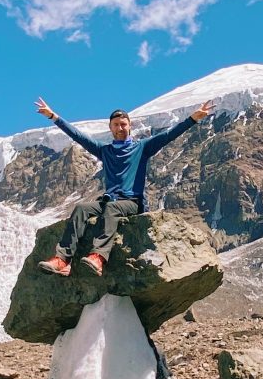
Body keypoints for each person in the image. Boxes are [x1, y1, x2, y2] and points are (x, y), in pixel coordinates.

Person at [34, 97, 215, 277]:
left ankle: (98, 257)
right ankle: (63, 260)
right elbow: (78, 136)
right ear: (110, 128)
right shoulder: (105, 151)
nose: (120, 128)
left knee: (111, 209)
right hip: (109, 200)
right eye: (116, 125)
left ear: (130, 126)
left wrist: (193, 118)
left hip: (132, 203)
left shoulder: (142, 148)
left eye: (123, 124)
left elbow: (168, 135)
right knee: (81, 208)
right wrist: (53, 117)